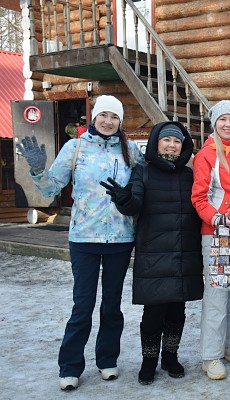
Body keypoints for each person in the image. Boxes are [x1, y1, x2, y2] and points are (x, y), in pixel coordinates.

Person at [16, 95, 145, 391]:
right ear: (94, 117)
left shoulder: (131, 151)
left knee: (112, 305)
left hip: (120, 239)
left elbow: (144, 185)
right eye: (104, 115)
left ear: (120, 121)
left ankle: (107, 360)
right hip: (84, 238)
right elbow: (50, 188)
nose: (108, 121)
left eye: (114, 117)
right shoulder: (75, 148)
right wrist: (38, 170)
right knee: (83, 305)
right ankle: (70, 366)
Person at [100, 121, 204, 384]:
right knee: (154, 312)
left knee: (177, 310)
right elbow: (134, 205)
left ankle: (170, 356)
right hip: (154, 251)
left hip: (184, 250)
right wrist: (124, 199)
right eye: (167, 140)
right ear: (156, 142)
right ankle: (149, 360)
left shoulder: (188, 175)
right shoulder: (143, 171)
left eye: (177, 141)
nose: (172, 145)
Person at [191, 100, 230, 380]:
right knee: (217, 294)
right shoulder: (206, 155)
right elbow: (199, 197)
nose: (228, 124)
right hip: (217, 234)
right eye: (223, 119)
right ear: (214, 123)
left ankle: (228, 343)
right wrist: (217, 218)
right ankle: (211, 355)